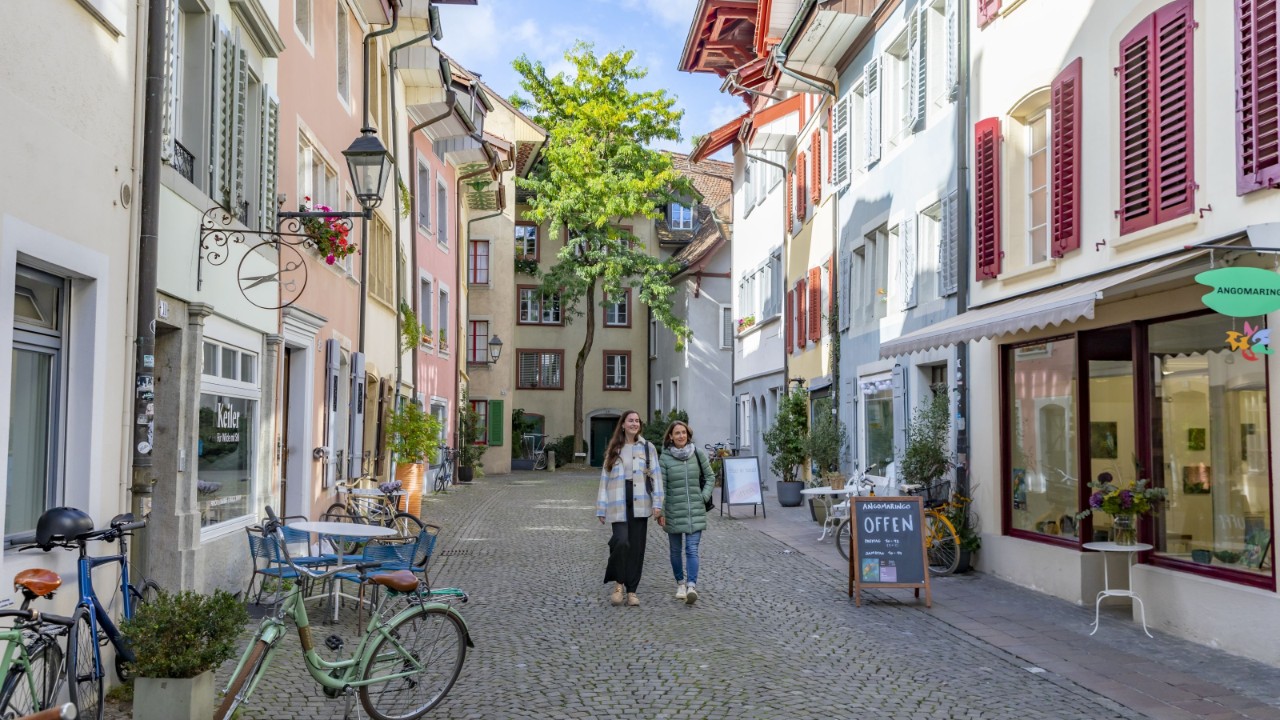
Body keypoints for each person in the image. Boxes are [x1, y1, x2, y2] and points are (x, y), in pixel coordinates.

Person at [596, 411, 663, 607]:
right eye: (630, 420)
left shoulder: (648, 448)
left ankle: (632, 591)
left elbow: (656, 478)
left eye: (637, 421)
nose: (634, 423)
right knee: (621, 542)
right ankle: (619, 584)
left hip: (640, 500)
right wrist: (601, 507)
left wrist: (658, 504)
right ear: (623, 424)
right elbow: (604, 479)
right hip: (618, 498)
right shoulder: (614, 449)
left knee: (636, 547)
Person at [657, 420, 715, 605]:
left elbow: (710, 476)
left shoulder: (697, 453)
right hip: (673, 511)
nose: (681, 436)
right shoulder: (665, 458)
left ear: (688, 435)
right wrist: (661, 512)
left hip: (694, 510)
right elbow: (662, 487)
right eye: (677, 433)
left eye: (683, 432)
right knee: (675, 551)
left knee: (692, 549)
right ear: (671, 437)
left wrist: (703, 496)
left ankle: (691, 586)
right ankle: (680, 583)